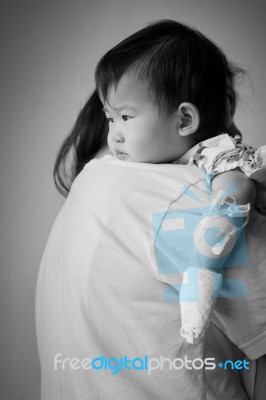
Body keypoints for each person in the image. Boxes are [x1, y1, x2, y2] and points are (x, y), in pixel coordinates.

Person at [36, 20, 266, 399]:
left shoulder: (89, 184)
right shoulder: (182, 195)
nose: (116, 133)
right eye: (114, 118)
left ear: (184, 120)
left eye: (125, 118)